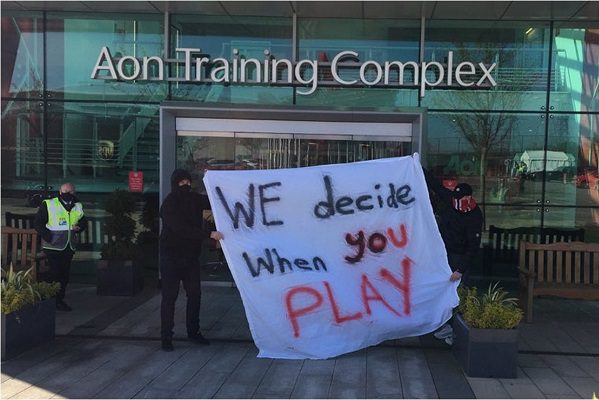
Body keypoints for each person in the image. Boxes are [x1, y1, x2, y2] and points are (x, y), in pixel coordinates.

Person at [160, 168, 223, 352]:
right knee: (169, 298)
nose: (185, 185)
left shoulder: (194, 199)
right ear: (175, 184)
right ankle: (166, 337)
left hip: (190, 258)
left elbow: (214, 199)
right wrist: (208, 233)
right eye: (181, 182)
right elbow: (182, 228)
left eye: (188, 182)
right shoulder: (169, 205)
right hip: (171, 257)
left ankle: (193, 332)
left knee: (195, 296)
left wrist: (214, 178)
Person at [423, 168, 483, 345]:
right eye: (455, 199)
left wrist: (460, 270)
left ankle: (455, 329)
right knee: (440, 291)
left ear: (468, 198)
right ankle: (441, 325)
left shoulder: (474, 216)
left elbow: (473, 247)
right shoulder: (450, 200)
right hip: (443, 254)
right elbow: (434, 184)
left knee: (458, 293)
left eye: (461, 199)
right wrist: (418, 165)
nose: (457, 202)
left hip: (460, 257)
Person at [34, 182, 86, 311]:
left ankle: (58, 299)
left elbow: (83, 221)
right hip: (53, 246)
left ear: (74, 193)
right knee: (55, 273)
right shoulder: (49, 204)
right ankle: (51, 300)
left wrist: (79, 227)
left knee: (64, 275)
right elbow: (38, 223)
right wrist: (49, 237)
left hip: (69, 245)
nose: (67, 194)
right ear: (60, 192)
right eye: (65, 192)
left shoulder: (77, 205)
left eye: (70, 192)